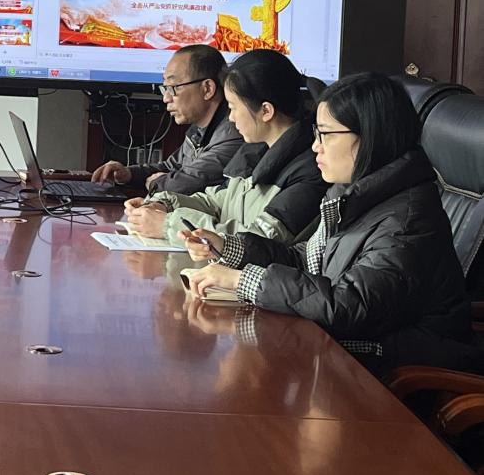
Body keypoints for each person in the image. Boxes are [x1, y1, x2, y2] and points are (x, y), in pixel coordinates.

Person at [183, 72, 479, 374]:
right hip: (340, 358)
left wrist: (242, 281)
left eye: (325, 134)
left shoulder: (408, 222)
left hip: (390, 378)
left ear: (370, 137)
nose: (315, 146)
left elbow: (347, 306)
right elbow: (308, 261)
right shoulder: (357, 193)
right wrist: (230, 248)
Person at [124, 49, 325, 245]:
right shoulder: (255, 150)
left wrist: (168, 224)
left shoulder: (310, 171)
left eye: (233, 107)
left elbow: (259, 240)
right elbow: (215, 202)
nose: (231, 118)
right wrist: (165, 205)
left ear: (266, 111)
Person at [92, 44, 242, 195]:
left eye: (173, 87)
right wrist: (129, 173)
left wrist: (155, 183)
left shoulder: (234, 132)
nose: (166, 98)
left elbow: (187, 183)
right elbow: (173, 167)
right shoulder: (199, 128)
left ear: (207, 88)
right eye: (165, 88)